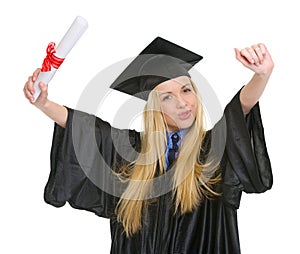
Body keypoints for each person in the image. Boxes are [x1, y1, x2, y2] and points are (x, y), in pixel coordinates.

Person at [23, 37, 274, 254]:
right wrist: (44, 103)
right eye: (167, 97)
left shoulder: (213, 151)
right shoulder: (132, 154)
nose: (182, 103)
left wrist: (261, 74)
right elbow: (87, 130)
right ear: (154, 108)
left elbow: (240, 109)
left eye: (186, 90)